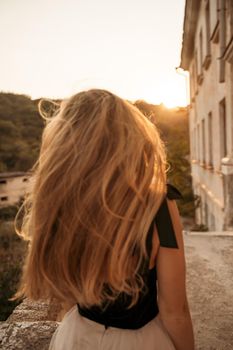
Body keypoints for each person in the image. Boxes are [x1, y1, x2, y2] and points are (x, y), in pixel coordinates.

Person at [16, 89, 195, 350]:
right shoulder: (158, 205)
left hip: (75, 337)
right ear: (130, 138)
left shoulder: (59, 203)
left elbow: (66, 296)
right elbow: (174, 310)